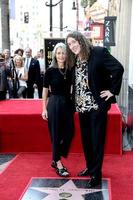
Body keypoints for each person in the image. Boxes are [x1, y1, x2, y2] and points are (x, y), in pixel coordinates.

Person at [66, 31, 124, 188]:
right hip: (82, 106)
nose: (71, 47)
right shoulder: (75, 59)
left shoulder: (98, 52)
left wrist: (112, 91)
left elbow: (118, 68)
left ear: (80, 40)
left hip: (97, 106)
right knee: (86, 140)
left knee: (97, 140)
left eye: (73, 42)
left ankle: (96, 174)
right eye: (69, 44)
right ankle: (91, 167)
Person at [42, 43, 74, 177]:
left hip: (68, 103)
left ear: (67, 55)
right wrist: (44, 108)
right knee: (55, 134)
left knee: (69, 132)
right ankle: (58, 163)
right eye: (59, 53)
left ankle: (55, 157)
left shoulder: (71, 69)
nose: (61, 55)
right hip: (54, 102)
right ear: (55, 54)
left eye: (64, 53)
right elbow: (44, 91)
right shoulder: (49, 71)